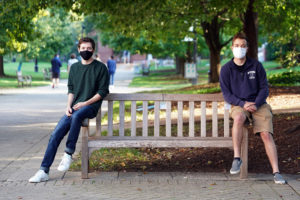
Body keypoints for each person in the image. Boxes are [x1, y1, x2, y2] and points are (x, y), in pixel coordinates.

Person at [29, 37, 110, 183]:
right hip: (75, 107)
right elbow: (71, 89)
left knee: (77, 115)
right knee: (55, 135)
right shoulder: (74, 68)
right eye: (83, 48)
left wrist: (86, 103)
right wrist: (68, 106)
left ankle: (68, 153)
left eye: (89, 48)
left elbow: (103, 91)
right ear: (79, 50)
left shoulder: (100, 68)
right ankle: (43, 170)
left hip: (90, 107)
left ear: (93, 50)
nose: (86, 51)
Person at [220, 32, 286, 184]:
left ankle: (276, 172)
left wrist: (256, 103)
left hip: (259, 105)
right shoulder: (226, 69)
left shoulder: (256, 66)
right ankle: (237, 158)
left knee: (266, 134)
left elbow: (264, 88)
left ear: (247, 48)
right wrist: (243, 104)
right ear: (232, 48)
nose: (240, 48)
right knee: (238, 118)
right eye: (237, 46)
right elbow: (227, 94)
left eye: (243, 46)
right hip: (239, 104)